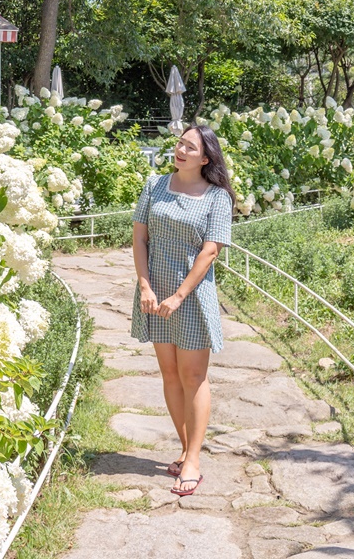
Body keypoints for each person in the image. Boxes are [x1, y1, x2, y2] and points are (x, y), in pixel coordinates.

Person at [130, 122, 235, 498]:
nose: (181, 150)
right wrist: (145, 285)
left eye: (190, 147)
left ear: (206, 158)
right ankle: (186, 447)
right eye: (180, 144)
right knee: (170, 374)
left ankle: (193, 461)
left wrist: (178, 296)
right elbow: (139, 236)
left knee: (194, 376)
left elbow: (210, 251)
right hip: (153, 294)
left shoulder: (217, 197)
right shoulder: (154, 185)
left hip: (190, 297)